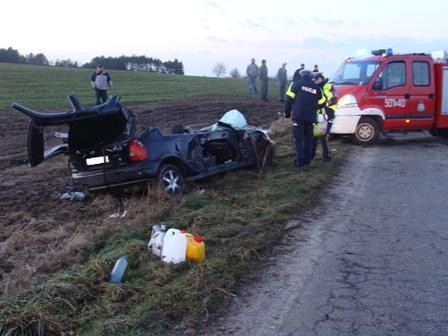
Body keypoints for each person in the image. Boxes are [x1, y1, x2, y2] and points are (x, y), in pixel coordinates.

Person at [284, 69, 325, 170]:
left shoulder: (296, 84)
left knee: (298, 139)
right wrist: (314, 107)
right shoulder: (317, 88)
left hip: (299, 117)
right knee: (308, 139)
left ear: (301, 76)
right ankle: (307, 160)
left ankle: (299, 162)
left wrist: (287, 114)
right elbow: (322, 103)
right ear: (311, 77)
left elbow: (289, 100)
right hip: (311, 118)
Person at [311, 72, 331, 161]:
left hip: (321, 116)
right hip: (318, 115)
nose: (315, 81)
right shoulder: (319, 87)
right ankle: (314, 155)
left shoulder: (324, 87)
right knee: (315, 137)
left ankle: (325, 156)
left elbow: (327, 101)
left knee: (321, 137)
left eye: (316, 79)